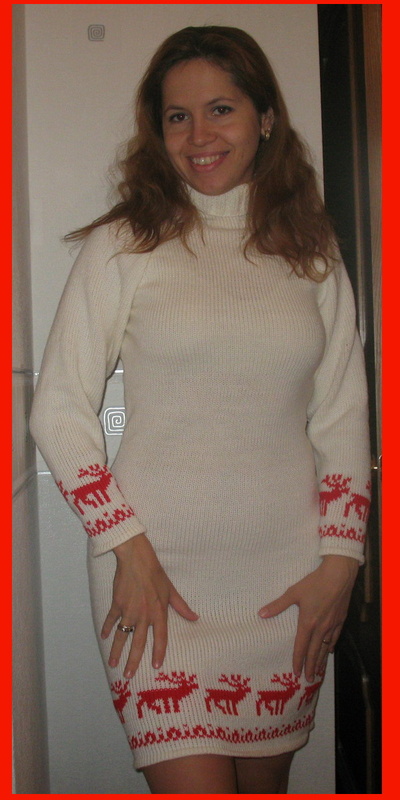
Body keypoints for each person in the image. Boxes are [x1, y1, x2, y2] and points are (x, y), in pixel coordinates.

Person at [30, 25, 371, 794]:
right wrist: (127, 545)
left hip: (288, 584)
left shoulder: (312, 249)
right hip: (153, 582)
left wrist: (341, 562)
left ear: (266, 118)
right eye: (177, 116)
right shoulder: (125, 245)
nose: (198, 135)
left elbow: (343, 417)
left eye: (221, 109)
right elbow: (58, 409)